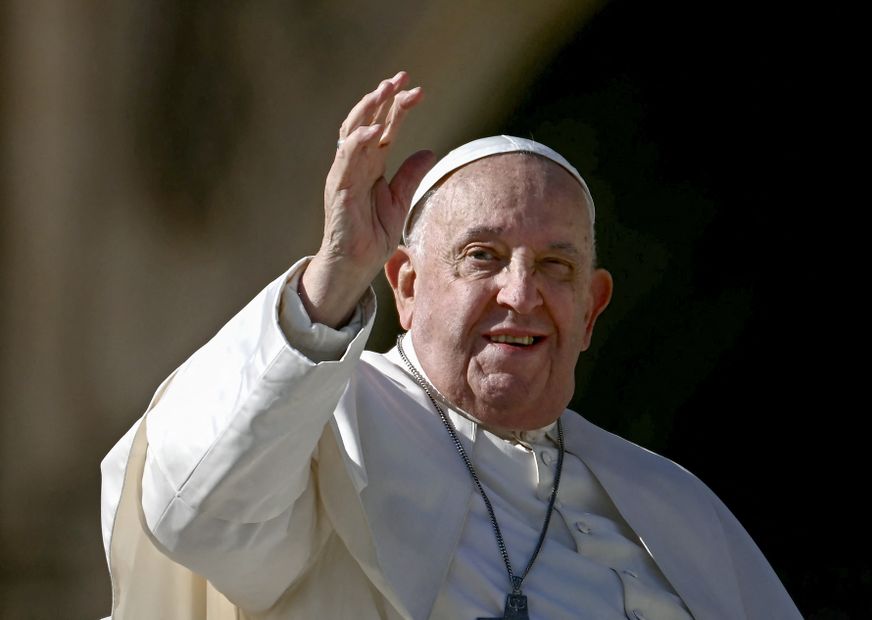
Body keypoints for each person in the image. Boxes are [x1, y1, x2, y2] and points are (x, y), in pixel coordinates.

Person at [100, 72, 801, 619]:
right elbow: (192, 515)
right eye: (482, 256)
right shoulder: (325, 431)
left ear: (591, 310)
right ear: (404, 286)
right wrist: (333, 279)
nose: (521, 295)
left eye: (556, 267)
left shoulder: (675, 506)